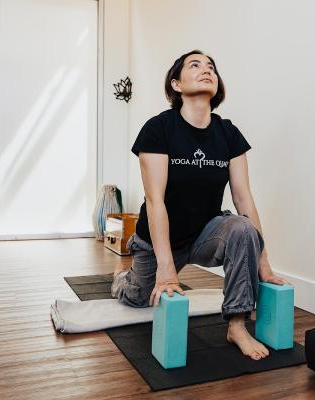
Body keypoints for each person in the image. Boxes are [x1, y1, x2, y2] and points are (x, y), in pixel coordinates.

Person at [112, 50, 286, 360]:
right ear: (176, 84)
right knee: (137, 298)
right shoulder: (158, 129)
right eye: (195, 65)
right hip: (156, 241)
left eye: (211, 67)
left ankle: (236, 325)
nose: (206, 69)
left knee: (242, 228)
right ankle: (122, 280)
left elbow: (243, 198)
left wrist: (264, 260)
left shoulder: (228, 133)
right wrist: (166, 268)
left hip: (205, 234)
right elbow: (155, 200)